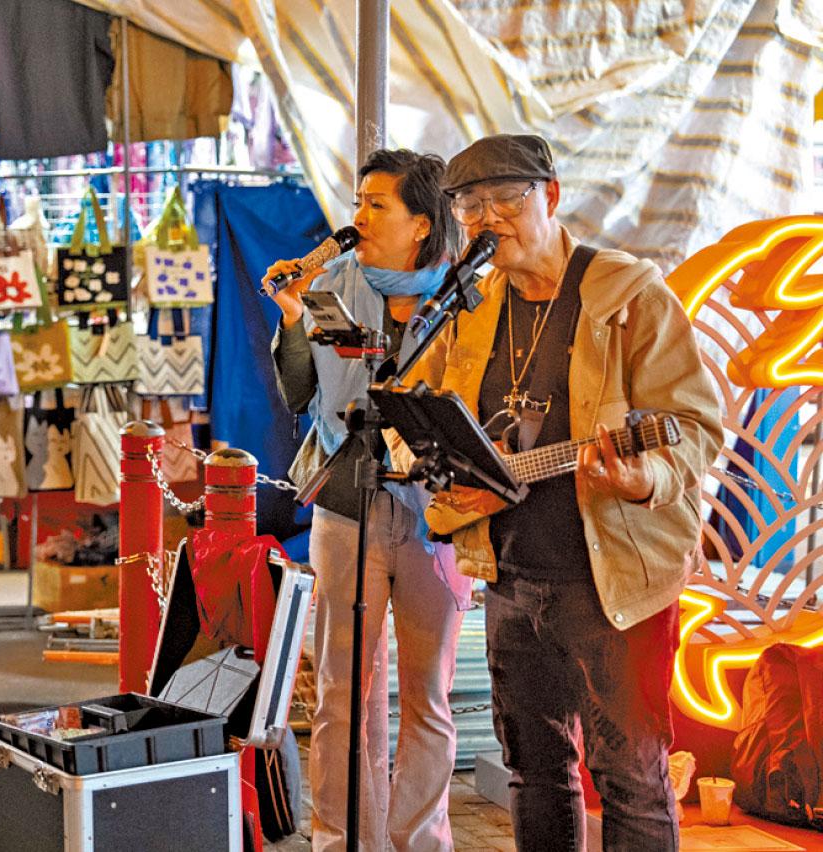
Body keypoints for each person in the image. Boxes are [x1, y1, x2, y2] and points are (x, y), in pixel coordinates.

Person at [411, 134, 723, 850]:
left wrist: (641, 476)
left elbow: (696, 426)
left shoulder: (627, 294)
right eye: (470, 206)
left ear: (550, 197)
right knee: (533, 769)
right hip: (512, 575)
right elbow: (421, 409)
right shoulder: (472, 305)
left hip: (612, 582)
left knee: (630, 775)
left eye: (505, 200)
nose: (487, 219)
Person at [267, 149, 473, 851]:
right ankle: (340, 840)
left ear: (422, 223)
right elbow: (302, 394)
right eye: (358, 201)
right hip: (346, 502)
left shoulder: (466, 296)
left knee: (428, 697)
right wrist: (294, 318)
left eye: (377, 205)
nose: (357, 217)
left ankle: (420, 841)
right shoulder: (333, 281)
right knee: (340, 692)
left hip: (435, 514)